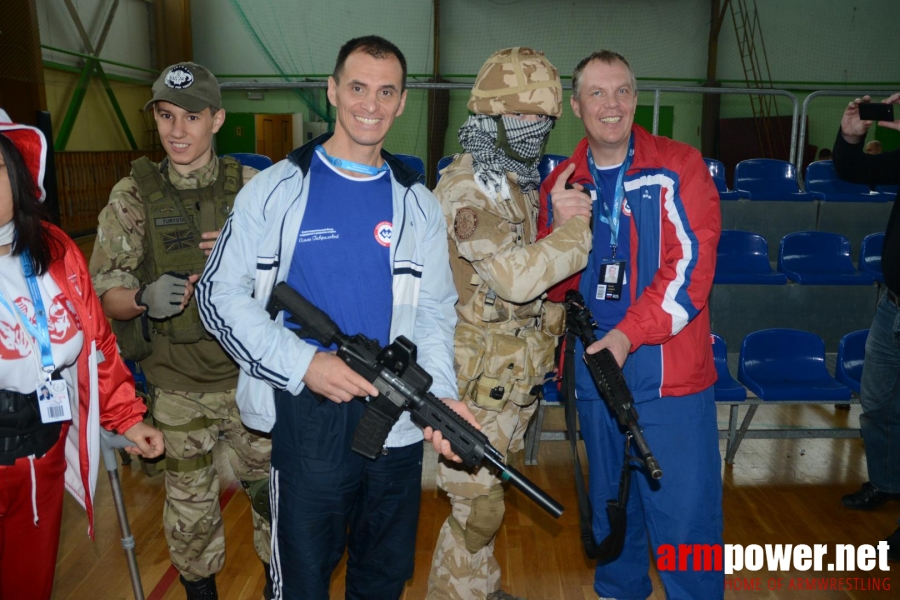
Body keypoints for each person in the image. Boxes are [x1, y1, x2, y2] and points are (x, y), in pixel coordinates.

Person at [195, 36, 478, 599]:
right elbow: (216, 294)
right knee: (302, 580)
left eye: (385, 91)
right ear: (332, 91)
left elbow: (434, 313)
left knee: (382, 577)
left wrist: (440, 396)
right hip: (308, 418)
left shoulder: (418, 203)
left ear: (401, 103)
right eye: (357, 87)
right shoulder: (275, 189)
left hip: (394, 424)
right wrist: (304, 365)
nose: (370, 104)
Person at [538, 51, 723, 599]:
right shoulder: (561, 183)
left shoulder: (680, 167)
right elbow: (552, 292)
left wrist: (627, 335)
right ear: (576, 105)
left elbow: (690, 271)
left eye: (621, 91)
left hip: (671, 380)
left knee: (686, 523)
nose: (610, 104)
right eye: (596, 93)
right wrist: (557, 226)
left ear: (636, 99)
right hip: (596, 378)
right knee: (611, 519)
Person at [89, 63, 272, 599]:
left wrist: (251, 262)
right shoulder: (133, 196)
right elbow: (107, 293)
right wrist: (142, 299)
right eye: (166, 116)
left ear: (216, 119)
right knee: (190, 518)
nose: (177, 130)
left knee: (274, 503)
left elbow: (296, 279)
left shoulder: (255, 190)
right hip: (176, 388)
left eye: (191, 117)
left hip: (251, 381)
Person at [426, 47, 590, 600]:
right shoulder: (466, 188)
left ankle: (479, 589)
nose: (536, 129)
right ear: (488, 118)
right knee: (479, 510)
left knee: (483, 501)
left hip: (508, 381)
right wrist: (573, 232)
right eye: (523, 117)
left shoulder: (512, 181)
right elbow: (515, 281)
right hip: (473, 389)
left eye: (543, 119)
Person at [0, 110, 164, 599]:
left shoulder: (54, 249)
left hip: (42, 456)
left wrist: (127, 418)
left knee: (29, 586)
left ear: (16, 172)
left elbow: (96, 343)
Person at [833, 93, 900, 561]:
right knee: (875, 403)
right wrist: (851, 139)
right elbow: (855, 172)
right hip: (892, 306)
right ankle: (886, 481)